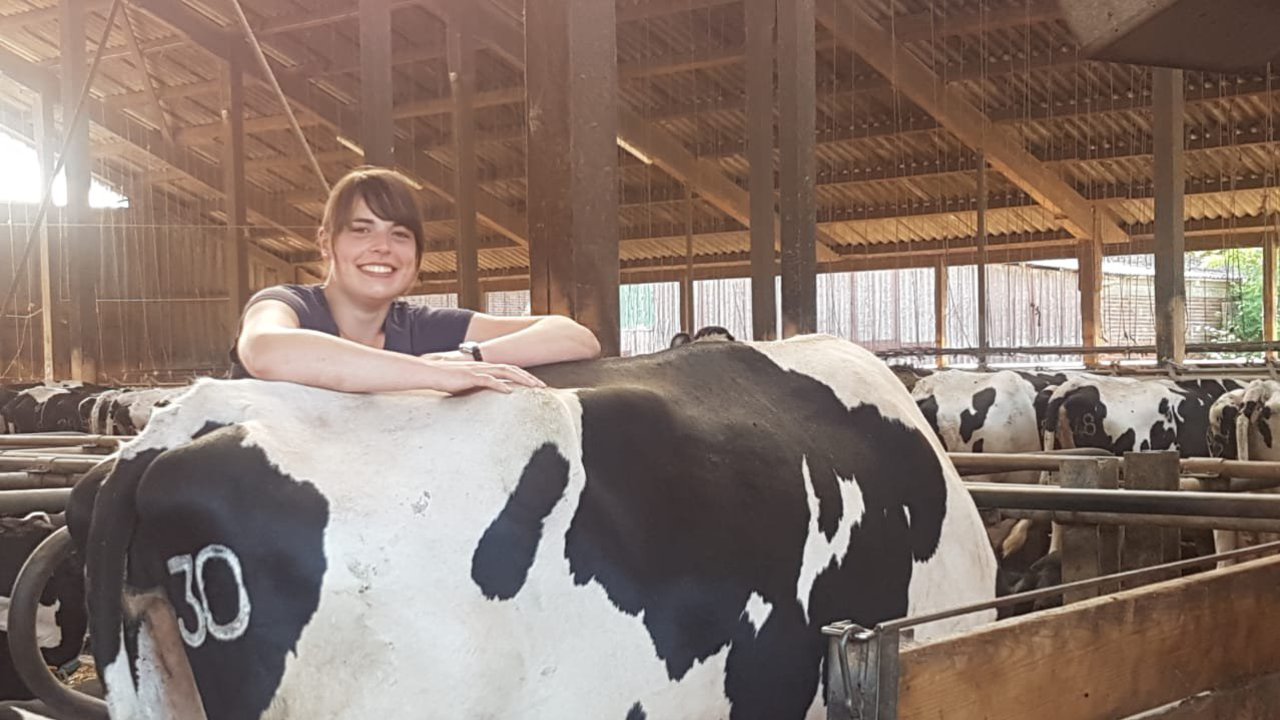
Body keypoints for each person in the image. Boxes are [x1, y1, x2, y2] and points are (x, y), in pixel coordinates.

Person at [231, 166, 601, 395]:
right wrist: (432, 375)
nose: (382, 248)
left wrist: (470, 357)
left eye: (400, 235)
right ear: (326, 243)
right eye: (362, 231)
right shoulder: (287, 304)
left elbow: (575, 336)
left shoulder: (420, 327)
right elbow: (266, 351)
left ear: (417, 256)